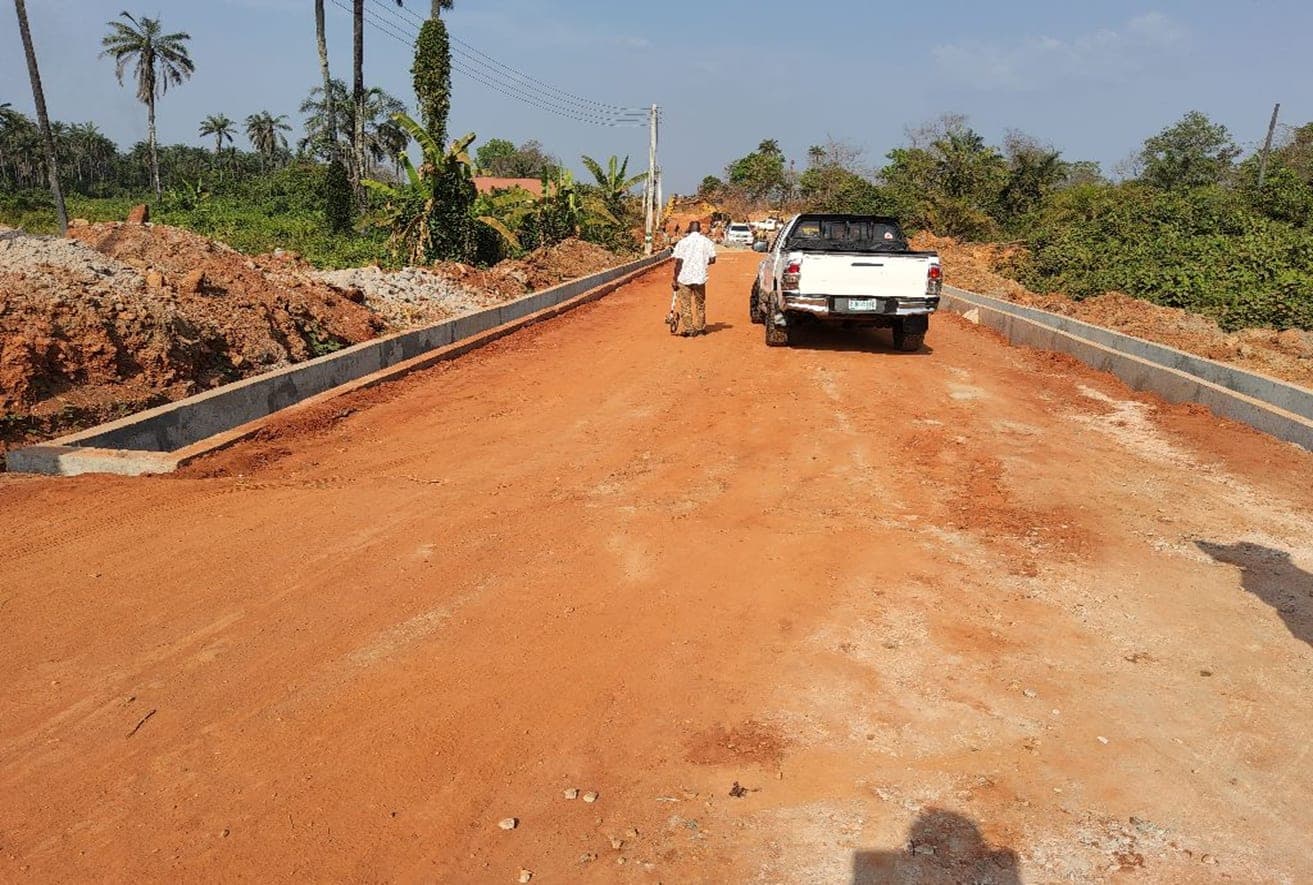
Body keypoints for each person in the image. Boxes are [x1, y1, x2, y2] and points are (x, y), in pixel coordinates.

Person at [670, 221, 717, 337]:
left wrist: (675, 279)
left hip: (684, 277)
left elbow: (679, 262)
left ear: (689, 229)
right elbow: (713, 259)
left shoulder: (682, 243)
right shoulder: (707, 242)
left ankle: (689, 329)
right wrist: (702, 261)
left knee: (685, 304)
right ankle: (700, 328)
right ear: (700, 229)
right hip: (700, 277)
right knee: (700, 303)